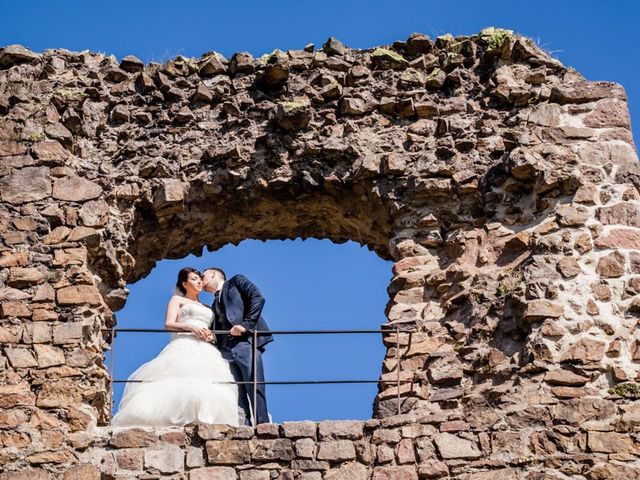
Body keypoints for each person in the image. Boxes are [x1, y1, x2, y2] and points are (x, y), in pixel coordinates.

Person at [111, 267, 243, 427]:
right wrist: (191, 327)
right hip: (184, 343)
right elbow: (169, 324)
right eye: (194, 279)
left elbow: (211, 328)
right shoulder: (177, 300)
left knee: (206, 382)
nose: (199, 281)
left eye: (199, 278)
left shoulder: (208, 308)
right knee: (178, 379)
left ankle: (204, 419)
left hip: (206, 348)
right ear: (184, 283)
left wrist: (210, 335)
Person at [202, 268, 273, 425]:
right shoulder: (214, 303)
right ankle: (244, 426)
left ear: (213, 274)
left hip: (244, 342)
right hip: (225, 349)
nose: (201, 280)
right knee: (235, 392)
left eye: (203, 275)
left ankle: (263, 425)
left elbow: (258, 297)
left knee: (254, 385)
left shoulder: (236, 281)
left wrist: (245, 325)